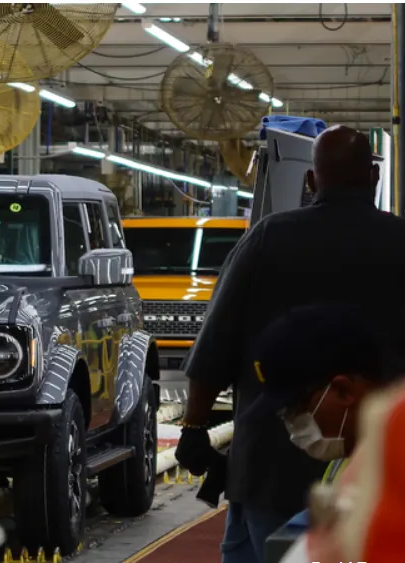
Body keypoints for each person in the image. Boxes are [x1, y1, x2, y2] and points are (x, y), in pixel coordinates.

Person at [173, 124, 405, 563]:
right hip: (379, 459)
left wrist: (193, 428)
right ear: (373, 179)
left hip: (269, 464)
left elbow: (214, 344)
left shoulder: (266, 239)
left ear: (310, 181)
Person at [242, 304, 400, 563]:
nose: (291, 425)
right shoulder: (352, 460)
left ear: (342, 391)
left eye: (296, 409)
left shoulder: (393, 471)